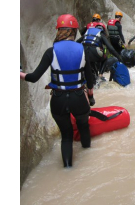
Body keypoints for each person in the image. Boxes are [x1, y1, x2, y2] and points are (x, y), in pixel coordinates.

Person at [20, 14, 95, 168]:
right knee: (83, 127)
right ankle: (88, 159)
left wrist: (18, 73)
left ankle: (67, 169)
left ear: (59, 31)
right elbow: (90, 78)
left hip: (58, 100)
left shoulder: (50, 51)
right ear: (74, 31)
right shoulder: (82, 50)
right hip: (79, 97)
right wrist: (91, 96)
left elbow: (33, 77)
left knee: (66, 136)